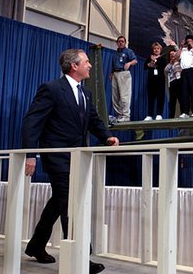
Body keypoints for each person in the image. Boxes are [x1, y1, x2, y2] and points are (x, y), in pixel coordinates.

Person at [22, 49, 119, 274]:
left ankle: (36, 245)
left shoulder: (85, 93)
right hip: (57, 157)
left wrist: (106, 136)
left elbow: (93, 119)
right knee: (71, 205)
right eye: (86, 62)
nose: (90, 66)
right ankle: (81, 257)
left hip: (77, 158)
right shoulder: (52, 89)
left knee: (59, 201)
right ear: (74, 66)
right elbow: (32, 122)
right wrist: (30, 154)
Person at [111, 35, 137, 122]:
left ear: (125, 43)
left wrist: (129, 63)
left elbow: (135, 60)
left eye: (122, 41)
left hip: (124, 73)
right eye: (119, 41)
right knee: (115, 96)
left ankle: (126, 115)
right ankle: (119, 114)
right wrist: (111, 73)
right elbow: (113, 64)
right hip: (115, 73)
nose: (121, 43)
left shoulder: (128, 51)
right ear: (117, 43)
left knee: (124, 95)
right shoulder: (115, 53)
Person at [177, 34, 193, 118]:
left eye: (190, 41)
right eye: (187, 41)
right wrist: (180, 47)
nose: (188, 43)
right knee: (184, 92)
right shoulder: (183, 50)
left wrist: (192, 47)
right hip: (184, 71)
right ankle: (185, 112)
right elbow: (176, 57)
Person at [144, 42, 167, 121]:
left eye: (158, 49)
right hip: (151, 80)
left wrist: (155, 61)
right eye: (155, 49)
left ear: (160, 50)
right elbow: (145, 66)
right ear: (152, 50)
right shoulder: (149, 57)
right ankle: (150, 115)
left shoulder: (163, 58)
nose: (156, 50)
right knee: (151, 97)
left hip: (160, 80)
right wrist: (151, 62)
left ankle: (159, 114)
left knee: (160, 97)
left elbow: (163, 65)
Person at [165, 49, 183, 118]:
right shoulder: (169, 64)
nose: (172, 55)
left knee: (181, 99)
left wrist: (175, 61)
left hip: (179, 81)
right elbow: (166, 70)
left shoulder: (179, 62)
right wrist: (171, 63)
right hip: (172, 82)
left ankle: (183, 113)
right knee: (172, 100)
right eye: (170, 54)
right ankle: (171, 116)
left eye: (173, 54)